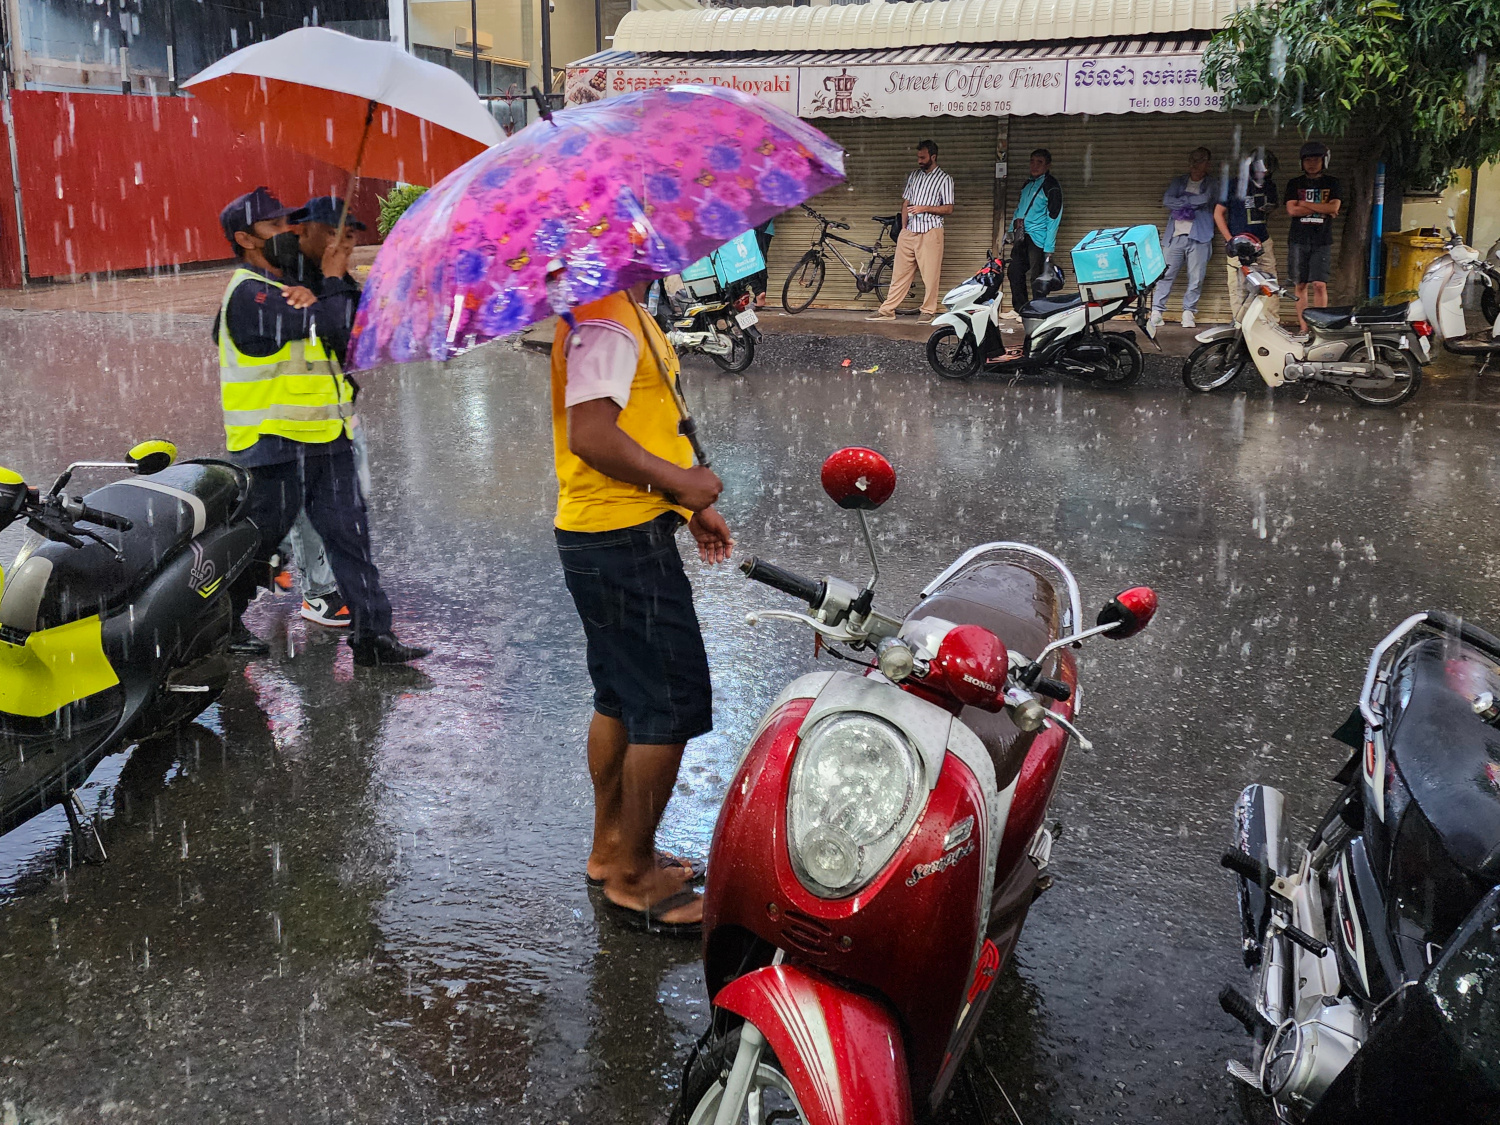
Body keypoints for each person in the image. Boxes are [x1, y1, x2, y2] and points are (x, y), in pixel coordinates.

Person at [552, 282, 733, 936]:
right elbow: (593, 435)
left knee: (621, 698)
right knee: (668, 702)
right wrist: (682, 482)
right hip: (620, 540)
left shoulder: (616, 309)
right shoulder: (607, 319)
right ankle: (632, 878)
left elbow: (640, 423)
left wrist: (690, 505)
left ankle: (612, 850)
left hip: (609, 534)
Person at [214, 186, 429, 668]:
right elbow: (324, 321)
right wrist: (327, 285)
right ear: (245, 238)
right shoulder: (249, 294)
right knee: (257, 543)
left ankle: (374, 635)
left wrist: (331, 277)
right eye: (274, 227)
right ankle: (220, 622)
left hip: (327, 440)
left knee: (350, 538)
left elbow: (348, 321)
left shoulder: (295, 282)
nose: (286, 233)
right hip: (271, 444)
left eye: (289, 224)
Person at [269, 195, 374, 629]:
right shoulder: (277, 277)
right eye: (333, 232)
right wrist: (330, 285)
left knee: (347, 499)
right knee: (319, 507)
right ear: (303, 230)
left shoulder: (336, 277)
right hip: (296, 415)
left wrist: (338, 285)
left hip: (337, 407)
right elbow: (327, 329)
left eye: (349, 236)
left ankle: (275, 555)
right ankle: (319, 593)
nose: (343, 243)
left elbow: (353, 336)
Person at [867, 139, 954, 323]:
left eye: (923, 157)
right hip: (910, 231)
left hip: (931, 231)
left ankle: (928, 310)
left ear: (933, 156)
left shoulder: (945, 179)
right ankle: (887, 310)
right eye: (918, 157)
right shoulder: (914, 176)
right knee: (899, 273)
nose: (919, 161)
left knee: (930, 274)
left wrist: (924, 208)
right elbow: (906, 202)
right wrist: (904, 228)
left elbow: (948, 208)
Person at [1151, 147, 1218, 329]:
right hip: (1175, 236)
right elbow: (1167, 200)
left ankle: (1188, 312)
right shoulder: (1179, 181)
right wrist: (1190, 202)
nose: (1196, 165)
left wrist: (1181, 202)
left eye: (1201, 160)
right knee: (1165, 274)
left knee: (1196, 277)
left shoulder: (1211, 182)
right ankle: (1156, 311)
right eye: (1193, 160)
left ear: (1208, 164)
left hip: (1200, 236)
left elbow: (1206, 198)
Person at [1215, 153, 1280, 321]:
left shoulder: (1270, 186)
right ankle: (1240, 326)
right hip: (1239, 243)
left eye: (1267, 171)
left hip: (1262, 242)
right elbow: (1218, 213)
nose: (1263, 174)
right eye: (1260, 170)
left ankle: (1271, 324)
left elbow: (1271, 211)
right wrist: (1231, 240)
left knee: (1269, 284)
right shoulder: (1234, 184)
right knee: (1238, 287)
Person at [1284, 141, 1342, 331]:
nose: (1311, 164)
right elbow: (1292, 210)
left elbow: (1334, 207)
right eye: (1307, 160)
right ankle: (1304, 328)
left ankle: (1320, 326)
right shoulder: (1294, 183)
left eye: (1316, 160)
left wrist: (1305, 205)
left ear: (1324, 161)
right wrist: (1322, 209)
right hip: (1298, 240)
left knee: (1319, 284)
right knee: (1300, 284)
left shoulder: (1332, 182)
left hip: (1322, 240)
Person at [1006, 148, 1064, 317]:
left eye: (1039, 162)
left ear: (1048, 165)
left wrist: (1049, 247)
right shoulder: (1028, 184)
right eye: (1032, 161)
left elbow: (1054, 217)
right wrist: (1010, 230)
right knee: (1014, 271)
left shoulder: (1051, 186)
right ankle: (1021, 309)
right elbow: (1020, 209)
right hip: (1022, 235)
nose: (1034, 165)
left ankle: (1038, 311)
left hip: (1038, 238)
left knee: (1037, 278)